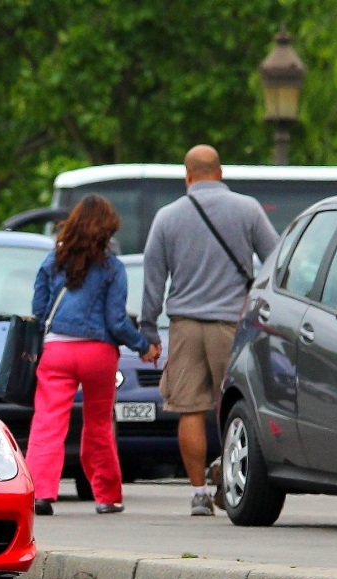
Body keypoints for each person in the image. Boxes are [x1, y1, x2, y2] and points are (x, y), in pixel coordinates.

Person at [140, 145, 280, 516]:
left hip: (184, 325)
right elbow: (276, 259)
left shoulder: (166, 217)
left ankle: (199, 493)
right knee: (235, 405)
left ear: (187, 176)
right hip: (232, 326)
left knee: (189, 409)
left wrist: (149, 332)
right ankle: (232, 477)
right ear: (219, 173)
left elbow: (154, 280)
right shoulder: (248, 209)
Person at [27, 195, 161, 516]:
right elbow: (116, 321)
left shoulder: (51, 262)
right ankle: (107, 497)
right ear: (107, 229)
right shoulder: (112, 268)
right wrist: (143, 346)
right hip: (98, 355)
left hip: (57, 351)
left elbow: (38, 311)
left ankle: (41, 494)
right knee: (99, 425)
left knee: (48, 423)